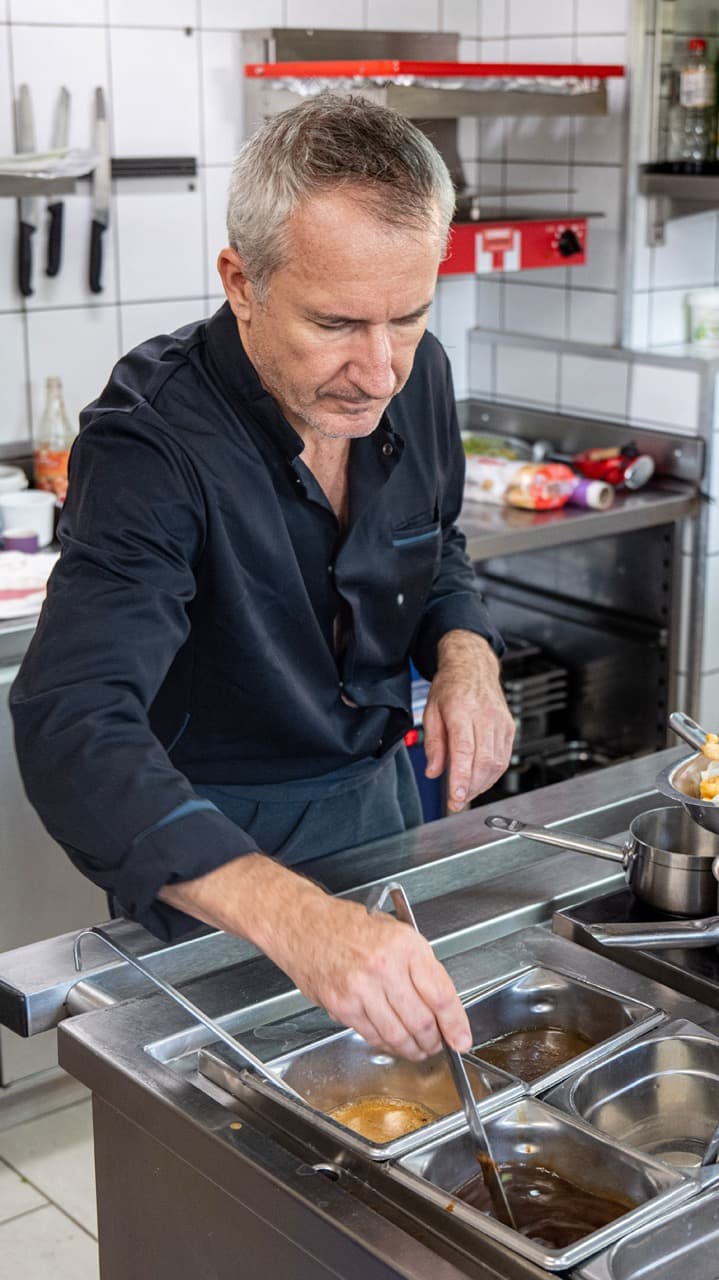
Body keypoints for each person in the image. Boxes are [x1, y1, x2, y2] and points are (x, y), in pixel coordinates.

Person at [11, 94, 514, 1063]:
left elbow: (433, 544)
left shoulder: (421, 371)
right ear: (241, 282)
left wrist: (463, 654)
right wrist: (295, 916)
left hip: (378, 798)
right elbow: (73, 717)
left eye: (406, 317)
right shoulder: (148, 442)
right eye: (334, 322)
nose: (376, 369)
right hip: (215, 841)